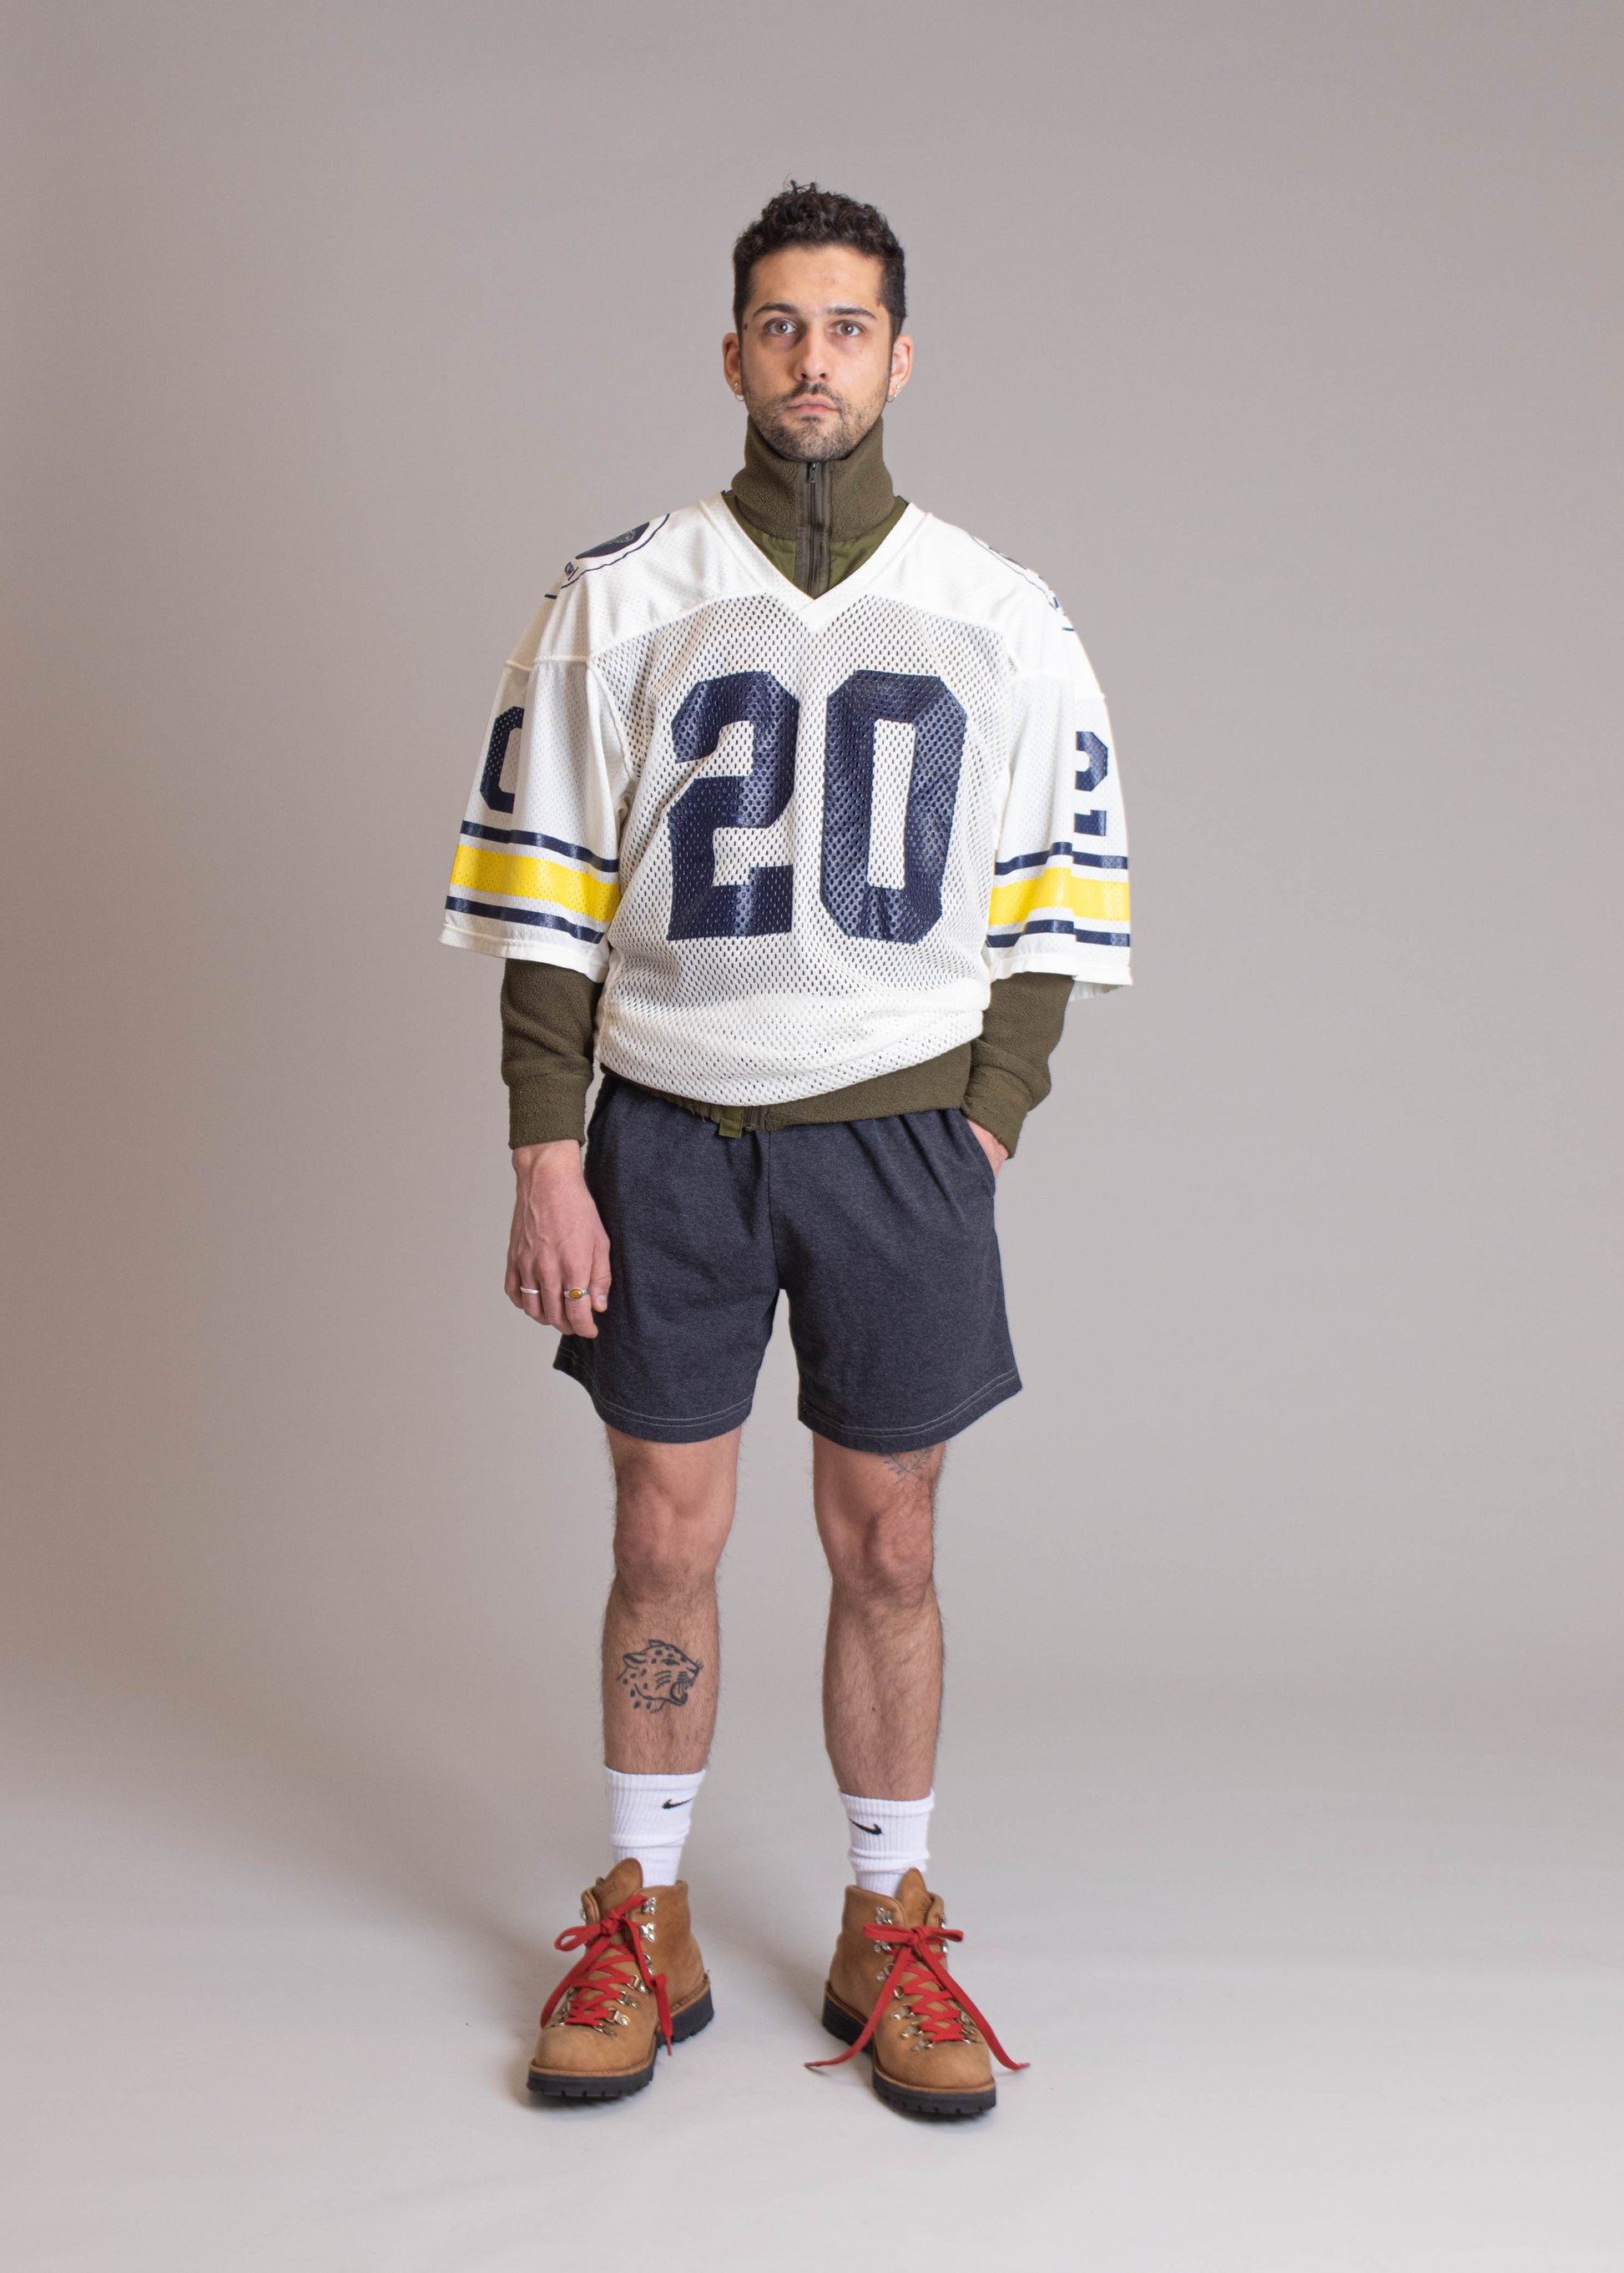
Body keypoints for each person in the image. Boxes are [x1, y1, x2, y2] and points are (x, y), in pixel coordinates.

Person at [441, 184, 1130, 2118]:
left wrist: (988, 1116)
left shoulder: (1000, 610)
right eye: (779, 324)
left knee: (889, 1541)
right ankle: (644, 1916)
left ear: (901, 356)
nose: (811, 359)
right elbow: (548, 894)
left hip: (897, 1135)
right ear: (730, 352)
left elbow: (1055, 893)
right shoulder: (620, 593)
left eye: (846, 326)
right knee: (662, 1533)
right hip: (667, 1130)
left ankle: (882, 1919)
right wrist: (544, 1148)